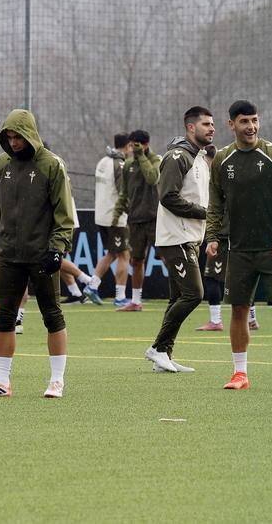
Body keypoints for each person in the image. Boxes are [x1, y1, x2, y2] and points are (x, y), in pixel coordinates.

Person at [0, 110, 74, 399]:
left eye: (18, 136)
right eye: (9, 136)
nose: (14, 142)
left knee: (51, 314)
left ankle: (57, 381)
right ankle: (1, 382)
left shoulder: (52, 164)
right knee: (5, 317)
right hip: (8, 254)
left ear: (30, 134)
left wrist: (57, 248)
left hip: (42, 255)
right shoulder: (2, 164)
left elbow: (63, 214)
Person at [206, 100, 272, 391]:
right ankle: (240, 374)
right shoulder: (222, 160)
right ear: (231, 125)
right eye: (245, 121)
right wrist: (212, 236)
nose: (251, 127)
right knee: (238, 310)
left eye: (254, 121)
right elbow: (215, 203)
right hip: (238, 250)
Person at [145, 107, 215, 374]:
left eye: (213, 124)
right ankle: (158, 348)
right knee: (194, 294)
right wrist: (205, 214)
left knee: (177, 297)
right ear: (190, 127)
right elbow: (168, 197)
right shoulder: (177, 157)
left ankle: (164, 355)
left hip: (190, 237)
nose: (211, 128)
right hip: (176, 237)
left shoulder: (198, 157)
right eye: (206, 124)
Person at [112, 130, 159, 311]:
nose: (132, 149)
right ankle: (136, 301)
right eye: (131, 145)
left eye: (136, 145)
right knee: (137, 260)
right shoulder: (128, 165)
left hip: (155, 219)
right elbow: (124, 192)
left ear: (146, 144)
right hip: (135, 219)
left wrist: (142, 157)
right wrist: (117, 212)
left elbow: (153, 178)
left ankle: (178, 297)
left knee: (166, 257)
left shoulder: (156, 160)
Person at [89, 133, 131, 305]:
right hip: (116, 217)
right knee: (124, 255)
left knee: (112, 253)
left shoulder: (102, 161)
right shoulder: (119, 165)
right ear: (127, 146)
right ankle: (120, 297)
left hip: (101, 215)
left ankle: (92, 285)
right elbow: (124, 193)